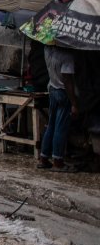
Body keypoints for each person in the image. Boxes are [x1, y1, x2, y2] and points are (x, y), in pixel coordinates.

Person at [38, 43, 80, 172]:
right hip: (62, 92)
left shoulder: (47, 49)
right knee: (60, 127)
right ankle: (58, 162)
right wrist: (74, 103)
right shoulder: (67, 56)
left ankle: (43, 158)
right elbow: (67, 80)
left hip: (52, 88)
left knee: (51, 125)